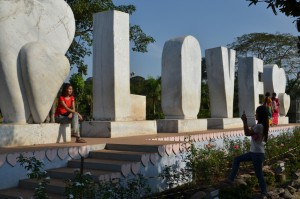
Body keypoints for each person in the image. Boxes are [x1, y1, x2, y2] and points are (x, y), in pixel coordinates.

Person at [227, 106, 269, 197]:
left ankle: (264, 192)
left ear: (260, 114)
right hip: (254, 153)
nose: (255, 114)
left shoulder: (259, 126)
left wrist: (245, 121)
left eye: (256, 113)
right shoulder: (262, 126)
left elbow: (247, 133)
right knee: (237, 159)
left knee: (259, 174)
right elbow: (250, 131)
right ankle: (230, 179)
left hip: (257, 154)